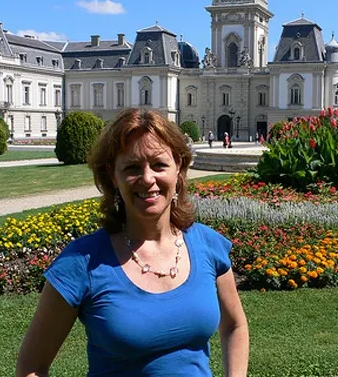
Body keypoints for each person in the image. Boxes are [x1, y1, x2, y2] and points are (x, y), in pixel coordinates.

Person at [16, 109, 249, 377]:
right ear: (113, 177)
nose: (148, 179)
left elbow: (234, 326)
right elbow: (31, 367)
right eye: (132, 167)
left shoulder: (208, 245)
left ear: (179, 170)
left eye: (159, 165)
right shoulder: (82, 262)